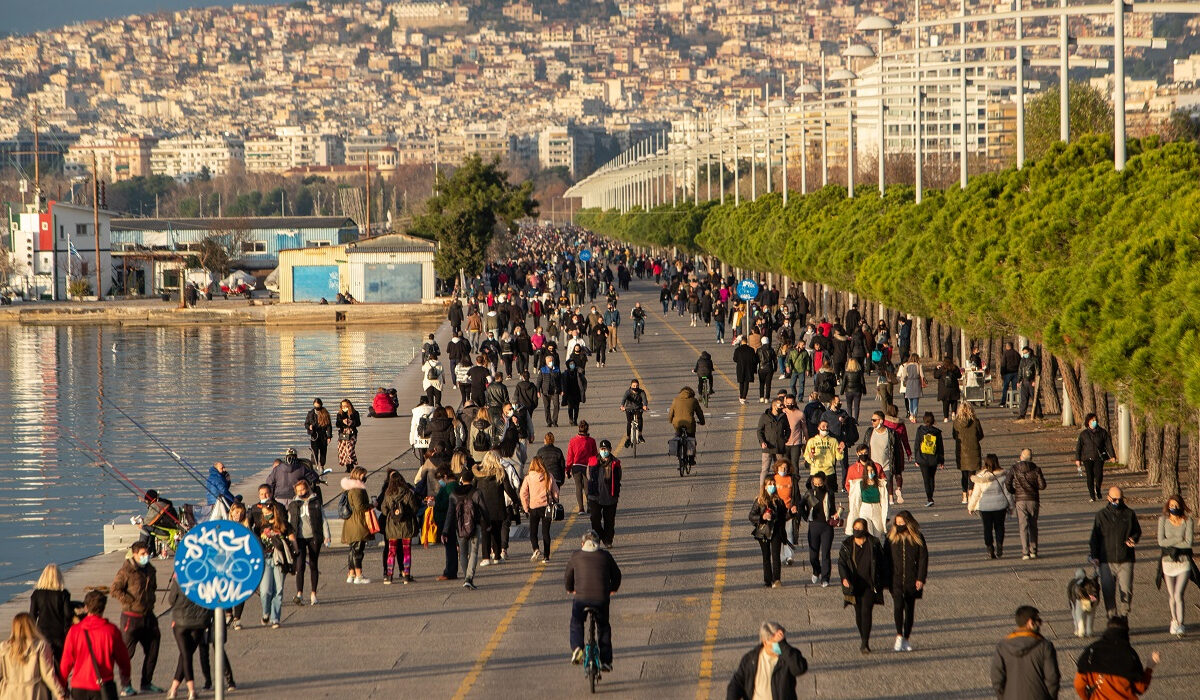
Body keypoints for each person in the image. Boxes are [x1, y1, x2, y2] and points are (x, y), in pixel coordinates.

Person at [565, 530, 622, 672]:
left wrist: (570, 589)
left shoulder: (576, 556)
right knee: (603, 627)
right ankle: (606, 661)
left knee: (576, 622)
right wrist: (613, 588)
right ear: (597, 543)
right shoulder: (605, 556)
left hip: (581, 598)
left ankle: (577, 648)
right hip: (601, 598)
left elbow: (568, 577)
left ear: (582, 543)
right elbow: (617, 574)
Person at [110, 541, 161, 695]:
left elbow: (153, 587)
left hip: (148, 614)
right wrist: (130, 601)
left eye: (147, 553)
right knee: (126, 653)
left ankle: (146, 682)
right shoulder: (126, 571)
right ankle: (126, 685)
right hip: (131, 616)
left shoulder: (150, 569)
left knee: (153, 648)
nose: (146, 556)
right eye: (142, 554)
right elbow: (115, 590)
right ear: (134, 554)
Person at [61, 591, 132, 700]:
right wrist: (125, 675)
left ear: (86, 608)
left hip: (79, 686)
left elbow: (66, 661)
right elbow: (123, 658)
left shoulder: (75, 631)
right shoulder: (111, 631)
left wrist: (61, 685)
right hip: (103, 685)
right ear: (103, 608)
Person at [1074, 616, 1160, 699]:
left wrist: (1088, 698)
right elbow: (1140, 688)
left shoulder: (1091, 652)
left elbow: (1079, 684)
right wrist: (1149, 667)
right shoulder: (1130, 655)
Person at [1089, 486, 1141, 618]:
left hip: (1126, 558)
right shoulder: (1101, 515)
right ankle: (1112, 618)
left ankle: (1123, 616)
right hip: (1106, 560)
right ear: (1108, 498)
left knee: (1126, 591)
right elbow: (1095, 538)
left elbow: (1137, 531)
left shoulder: (1129, 514)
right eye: (1114, 499)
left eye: (1120, 499)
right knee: (1107, 591)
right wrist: (1095, 556)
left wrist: (1133, 538)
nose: (1117, 502)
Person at [724, 621, 809, 700]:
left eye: (780, 643)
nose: (778, 647)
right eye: (775, 643)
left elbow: (799, 669)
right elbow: (736, 683)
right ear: (765, 642)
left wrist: (783, 645)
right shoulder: (750, 659)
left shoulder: (788, 655)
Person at [990, 605, 1060, 700]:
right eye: (1039, 621)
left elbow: (997, 678)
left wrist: (1004, 697)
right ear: (1030, 623)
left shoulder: (1002, 647)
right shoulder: (1045, 646)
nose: (1040, 624)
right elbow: (1052, 678)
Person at [838, 518, 886, 654]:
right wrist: (844, 578)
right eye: (855, 528)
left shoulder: (874, 543)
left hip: (870, 584)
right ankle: (863, 636)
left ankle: (865, 642)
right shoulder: (847, 544)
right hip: (854, 585)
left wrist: (883, 581)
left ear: (865, 529)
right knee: (858, 613)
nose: (857, 530)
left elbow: (882, 563)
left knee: (866, 611)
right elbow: (841, 563)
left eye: (859, 528)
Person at [883, 511, 928, 652]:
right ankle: (899, 635)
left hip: (912, 579)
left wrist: (921, 578)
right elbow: (885, 559)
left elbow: (923, 559)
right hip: (895, 579)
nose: (900, 525)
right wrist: (885, 578)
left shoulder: (917, 538)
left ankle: (907, 638)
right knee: (898, 607)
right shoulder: (890, 538)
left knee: (909, 609)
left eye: (902, 523)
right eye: (898, 523)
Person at [163, 574, 211, 700]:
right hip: (200, 621)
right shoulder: (207, 576)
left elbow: (171, 600)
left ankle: (190, 690)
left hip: (180, 622)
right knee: (186, 655)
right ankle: (174, 689)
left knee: (185, 655)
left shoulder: (179, 577)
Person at [0, 612, 68, 700]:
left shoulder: (4, 647)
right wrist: (59, 692)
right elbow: (47, 674)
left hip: (9, 693)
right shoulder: (40, 646)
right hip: (33, 693)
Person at [443, 469, 489, 590]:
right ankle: (469, 577)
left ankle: (465, 577)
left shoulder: (453, 494)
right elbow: (484, 509)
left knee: (462, 553)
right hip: (474, 525)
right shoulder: (476, 493)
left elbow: (450, 513)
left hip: (460, 526)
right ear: (473, 479)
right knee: (474, 552)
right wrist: (487, 524)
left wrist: (445, 531)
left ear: (461, 480)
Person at [1156, 494, 1195, 636]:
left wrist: (1172, 541)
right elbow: (1161, 542)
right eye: (1171, 506)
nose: (1174, 508)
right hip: (1167, 562)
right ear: (1168, 506)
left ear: (1181, 506)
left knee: (1179, 594)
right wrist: (1179, 539)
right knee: (1171, 595)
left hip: (1183, 562)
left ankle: (1181, 623)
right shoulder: (1163, 521)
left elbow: (1189, 543)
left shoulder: (1188, 521)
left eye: (1177, 506)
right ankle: (1173, 620)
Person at [252, 499, 293, 628]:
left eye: (266, 511)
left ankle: (275, 618)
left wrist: (294, 550)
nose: (264, 514)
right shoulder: (259, 527)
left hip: (279, 558)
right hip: (265, 558)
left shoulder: (282, 525)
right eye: (263, 512)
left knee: (278, 589)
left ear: (272, 511)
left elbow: (292, 538)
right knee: (265, 591)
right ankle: (266, 612)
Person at [288, 479, 328, 605]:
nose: (301, 492)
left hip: (314, 536)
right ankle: (299, 593)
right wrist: (289, 536)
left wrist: (327, 535)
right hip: (299, 537)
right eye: (298, 490)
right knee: (300, 566)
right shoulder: (294, 504)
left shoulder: (315, 501)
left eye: (303, 489)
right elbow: (290, 521)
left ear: (308, 489)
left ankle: (313, 594)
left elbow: (323, 519)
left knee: (313, 564)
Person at [967, 453, 1014, 559]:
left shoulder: (980, 477)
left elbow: (976, 494)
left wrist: (971, 507)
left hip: (985, 507)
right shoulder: (1003, 475)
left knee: (987, 528)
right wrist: (1011, 506)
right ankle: (999, 545)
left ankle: (989, 547)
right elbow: (1007, 493)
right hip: (1000, 506)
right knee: (999, 527)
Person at [749, 475, 790, 589]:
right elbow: (751, 516)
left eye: (773, 484)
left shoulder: (779, 501)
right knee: (766, 556)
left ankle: (776, 579)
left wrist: (791, 513)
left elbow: (783, 517)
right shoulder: (759, 501)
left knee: (776, 556)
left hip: (776, 531)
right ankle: (767, 579)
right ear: (765, 486)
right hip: (763, 532)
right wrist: (762, 517)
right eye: (769, 484)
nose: (772, 486)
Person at [380, 471, 419, 585]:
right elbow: (414, 508)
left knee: (391, 551)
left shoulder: (388, 494)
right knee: (406, 551)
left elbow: (384, 509)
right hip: (406, 525)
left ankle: (389, 575)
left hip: (392, 527)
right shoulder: (407, 493)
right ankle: (406, 575)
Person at [28, 564, 72, 665]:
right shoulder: (63, 594)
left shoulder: (36, 594)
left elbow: (32, 616)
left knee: (43, 663)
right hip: (59, 633)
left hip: (42, 633)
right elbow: (67, 615)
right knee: (58, 663)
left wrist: (32, 634)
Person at [1008, 449, 1047, 560]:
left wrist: (1013, 491)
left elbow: (1007, 482)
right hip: (1033, 499)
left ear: (1021, 457)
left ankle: (1025, 552)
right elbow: (1042, 485)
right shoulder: (1036, 469)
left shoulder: (1015, 469)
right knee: (1033, 525)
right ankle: (1033, 550)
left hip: (1020, 500)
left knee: (1023, 526)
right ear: (1031, 458)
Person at [520, 456, 561, 563]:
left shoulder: (528, 477)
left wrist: (526, 507)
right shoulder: (548, 475)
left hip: (533, 507)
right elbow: (555, 491)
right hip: (547, 507)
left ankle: (536, 548)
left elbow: (523, 493)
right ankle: (546, 556)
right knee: (546, 532)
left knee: (533, 531)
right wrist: (555, 501)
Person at [844, 446, 888, 537]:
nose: (863, 455)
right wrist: (853, 496)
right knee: (867, 532)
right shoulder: (853, 470)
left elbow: (885, 492)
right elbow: (849, 486)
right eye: (861, 453)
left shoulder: (877, 468)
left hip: (877, 508)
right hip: (864, 508)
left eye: (865, 452)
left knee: (877, 535)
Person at [341, 467, 373, 585]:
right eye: (363, 475)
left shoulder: (349, 488)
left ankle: (351, 573)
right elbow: (360, 507)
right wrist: (371, 505)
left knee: (352, 550)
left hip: (351, 522)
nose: (365, 477)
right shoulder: (357, 489)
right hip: (358, 522)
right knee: (358, 550)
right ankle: (359, 575)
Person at [586, 440, 622, 548]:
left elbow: (619, 476)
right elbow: (588, 476)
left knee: (609, 521)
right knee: (595, 520)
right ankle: (602, 537)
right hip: (595, 496)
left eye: (605, 449)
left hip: (610, 497)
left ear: (610, 450)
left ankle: (608, 540)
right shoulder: (592, 461)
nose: (603, 451)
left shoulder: (615, 462)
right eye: (602, 449)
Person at [1075, 412, 1117, 502]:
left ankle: (1097, 489)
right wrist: (1077, 459)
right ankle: (1092, 495)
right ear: (1088, 422)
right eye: (1092, 420)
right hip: (1087, 458)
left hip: (1099, 457)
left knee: (1099, 475)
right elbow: (1079, 447)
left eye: (1095, 420)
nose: (1094, 422)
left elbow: (1108, 444)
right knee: (1089, 477)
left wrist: (1112, 455)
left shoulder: (1102, 432)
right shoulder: (1083, 434)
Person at [952, 402, 984, 504]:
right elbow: (980, 435)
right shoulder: (975, 421)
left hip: (961, 450)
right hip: (973, 450)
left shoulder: (957, 422)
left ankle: (964, 495)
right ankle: (971, 494)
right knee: (972, 474)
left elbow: (954, 436)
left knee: (964, 474)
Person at [912, 412, 944, 507]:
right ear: (933, 421)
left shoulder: (920, 430)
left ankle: (929, 498)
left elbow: (917, 445)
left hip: (923, 458)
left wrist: (916, 459)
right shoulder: (937, 432)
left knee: (926, 479)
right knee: (931, 478)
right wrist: (941, 460)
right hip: (933, 458)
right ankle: (931, 496)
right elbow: (940, 447)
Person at [566, 422, 598, 516]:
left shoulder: (573, 440)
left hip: (576, 466)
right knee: (587, 487)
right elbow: (594, 455)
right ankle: (589, 506)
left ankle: (581, 508)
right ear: (587, 429)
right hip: (586, 466)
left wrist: (567, 469)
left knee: (578, 487)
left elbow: (570, 456)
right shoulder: (591, 441)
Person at [756, 398, 790, 485]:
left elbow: (788, 429)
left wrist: (785, 439)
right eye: (780, 405)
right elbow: (759, 430)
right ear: (774, 406)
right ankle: (762, 489)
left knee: (780, 469)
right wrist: (762, 442)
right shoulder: (765, 416)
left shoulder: (783, 416)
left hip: (779, 447)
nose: (782, 406)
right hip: (768, 447)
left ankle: (779, 486)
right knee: (765, 469)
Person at [619, 379, 648, 448]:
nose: (635, 387)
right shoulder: (628, 392)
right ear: (631, 386)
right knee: (629, 422)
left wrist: (645, 406)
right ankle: (628, 438)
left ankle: (640, 435)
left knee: (640, 418)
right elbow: (624, 399)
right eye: (634, 386)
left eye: (637, 386)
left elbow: (644, 400)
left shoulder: (641, 392)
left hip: (638, 408)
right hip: (629, 408)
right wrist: (622, 406)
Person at [335, 399, 361, 470]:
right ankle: (348, 466)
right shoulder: (339, 414)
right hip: (343, 433)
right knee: (343, 450)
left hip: (352, 433)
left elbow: (358, 423)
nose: (344, 407)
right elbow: (337, 424)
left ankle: (351, 464)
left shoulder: (355, 413)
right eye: (342, 406)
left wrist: (352, 422)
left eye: (345, 405)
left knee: (350, 449)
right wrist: (342, 421)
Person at [933, 355, 962, 421]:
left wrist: (936, 368)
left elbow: (936, 376)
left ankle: (946, 417)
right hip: (953, 388)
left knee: (945, 404)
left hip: (944, 389)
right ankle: (953, 412)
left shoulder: (942, 369)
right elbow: (959, 376)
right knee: (954, 401)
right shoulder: (955, 368)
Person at [537, 355, 563, 428]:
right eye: (549, 361)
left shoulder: (557, 369)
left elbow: (560, 380)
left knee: (556, 405)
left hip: (555, 391)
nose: (551, 362)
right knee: (547, 407)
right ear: (546, 362)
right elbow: (539, 381)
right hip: (545, 391)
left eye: (552, 361)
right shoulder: (543, 370)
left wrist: (561, 390)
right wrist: (538, 391)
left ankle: (554, 421)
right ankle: (549, 422)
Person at [561, 360, 588, 426]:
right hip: (569, 393)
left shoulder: (578, 373)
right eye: (570, 364)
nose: (572, 365)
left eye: (573, 364)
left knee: (576, 407)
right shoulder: (565, 374)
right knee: (570, 407)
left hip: (577, 392)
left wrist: (583, 389)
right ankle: (571, 419)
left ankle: (575, 420)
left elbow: (584, 381)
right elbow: (562, 383)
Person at [733, 337, 758, 404]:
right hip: (749, 368)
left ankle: (741, 396)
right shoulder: (751, 350)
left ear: (741, 342)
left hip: (740, 368)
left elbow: (734, 359)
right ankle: (744, 397)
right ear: (747, 341)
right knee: (746, 382)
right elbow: (754, 360)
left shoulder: (737, 350)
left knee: (741, 382)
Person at [1016, 345, 1039, 419]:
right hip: (1024, 381)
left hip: (1031, 381)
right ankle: (1022, 414)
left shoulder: (1034, 359)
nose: (1024, 354)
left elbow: (1038, 371)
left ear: (1029, 352)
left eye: (1025, 353)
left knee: (1034, 398)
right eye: (1023, 353)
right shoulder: (1022, 360)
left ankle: (1039, 413)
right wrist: (1019, 380)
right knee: (1023, 399)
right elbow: (1020, 370)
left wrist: (1035, 380)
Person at [900, 354, 924, 421]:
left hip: (909, 383)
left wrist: (904, 381)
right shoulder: (919, 365)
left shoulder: (906, 365)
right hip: (916, 383)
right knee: (916, 400)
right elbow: (922, 375)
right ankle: (914, 415)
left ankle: (911, 414)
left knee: (910, 400)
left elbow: (904, 376)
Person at [998, 342, 1021, 409]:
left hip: (1007, 373)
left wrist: (1002, 373)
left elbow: (1003, 364)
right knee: (1014, 388)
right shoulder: (1017, 353)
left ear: (1007, 346)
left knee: (1005, 387)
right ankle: (1014, 402)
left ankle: (1003, 402)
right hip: (1016, 372)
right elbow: (1020, 363)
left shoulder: (1005, 354)